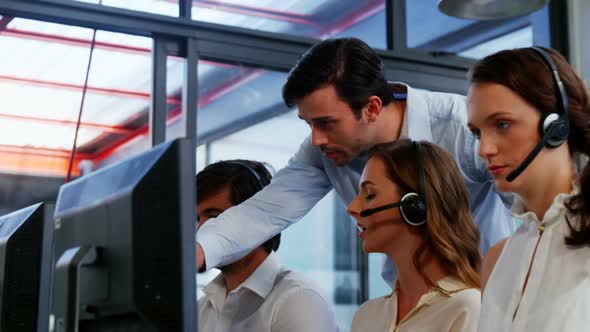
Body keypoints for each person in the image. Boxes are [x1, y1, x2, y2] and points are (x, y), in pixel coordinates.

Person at [196, 37, 517, 286]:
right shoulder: (322, 149)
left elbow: (535, 211)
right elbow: (263, 211)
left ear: (372, 108)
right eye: (309, 124)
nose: (317, 139)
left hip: (490, 300)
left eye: (326, 122)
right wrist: (193, 253)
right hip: (407, 305)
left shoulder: (461, 125)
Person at [466, 46, 590, 331]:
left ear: (555, 125)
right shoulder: (497, 259)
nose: (484, 149)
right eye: (477, 132)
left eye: (503, 124)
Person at [348, 139, 481, 332]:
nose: (352, 208)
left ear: (414, 207)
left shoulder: (468, 309)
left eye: (369, 195)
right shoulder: (367, 316)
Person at [196, 160, 338, 332]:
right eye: (196, 219)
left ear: (258, 220)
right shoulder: (203, 307)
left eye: (215, 218)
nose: (200, 229)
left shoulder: (298, 301)